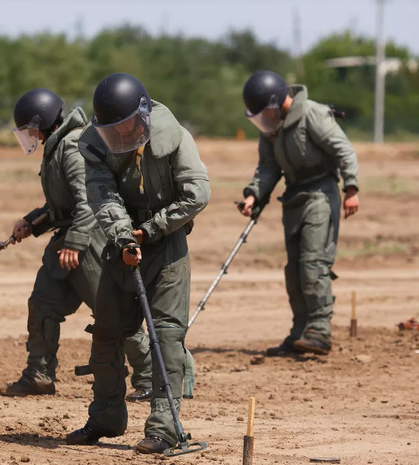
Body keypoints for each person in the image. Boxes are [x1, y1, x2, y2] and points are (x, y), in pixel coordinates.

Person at [65, 73, 210, 454]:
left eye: (126, 126)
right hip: (122, 243)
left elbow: (198, 194)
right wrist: (125, 235)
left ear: (143, 113)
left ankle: (164, 430)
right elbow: (102, 194)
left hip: (167, 245)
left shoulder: (175, 136)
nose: (121, 135)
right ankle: (106, 418)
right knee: (107, 332)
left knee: (166, 335)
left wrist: (151, 230)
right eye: (112, 130)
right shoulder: (96, 146)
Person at [0, 88, 153, 400]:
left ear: (42, 124)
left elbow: (87, 202)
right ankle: (39, 374)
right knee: (43, 303)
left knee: (116, 314)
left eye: (29, 129)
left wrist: (76, 243)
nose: (28, 136)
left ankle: (151, 379)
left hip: (89, 243)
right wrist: (32, 222)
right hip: (67, 244)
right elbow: (62, 204)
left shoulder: (72, 146)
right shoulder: (57, 145)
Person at [238, 70, 360, 357]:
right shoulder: (271, 128)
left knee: (313, 263)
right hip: (293, 197)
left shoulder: (312, 115)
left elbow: (344, 150)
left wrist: (351, 188)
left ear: (276, 102)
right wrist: (253, 193)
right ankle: (299, 333)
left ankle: (319, 330)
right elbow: (268, 168)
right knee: (293, 271)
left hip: (320, 193)